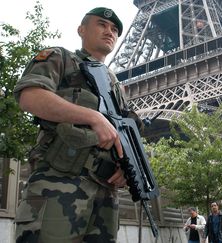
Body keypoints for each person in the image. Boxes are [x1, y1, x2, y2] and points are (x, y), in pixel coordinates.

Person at [13, 7, 144, 243]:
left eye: (114, 29)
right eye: (102, 24)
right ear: (81, 30)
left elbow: (124, 135)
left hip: (106, 192)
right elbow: (29, 96)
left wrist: (127, 168)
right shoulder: (59, 57)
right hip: (59, 182)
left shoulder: (117, 88)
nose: (109, 32)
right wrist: (93, 117)